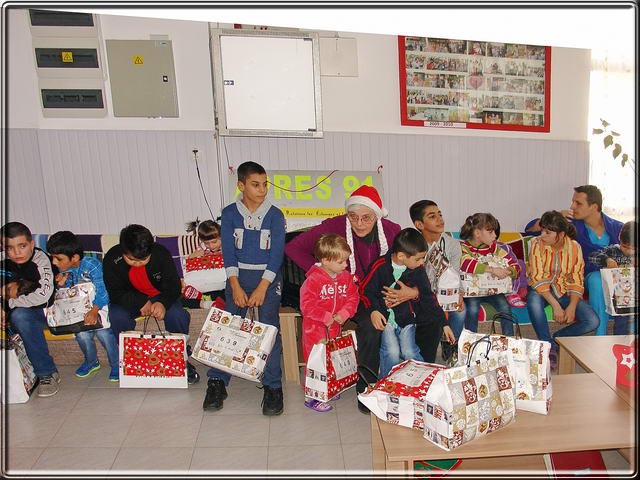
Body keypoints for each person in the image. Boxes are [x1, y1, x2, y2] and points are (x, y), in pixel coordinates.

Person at [203, 161, 286, 415]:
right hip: (238, 279)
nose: (262, 190)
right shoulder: (228, 214)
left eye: (264, 185)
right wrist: (235, 286)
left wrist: (263, 287)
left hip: (268, 280)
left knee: (268, 328)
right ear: (241, 185)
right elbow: (228, 253)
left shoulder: (275, 215)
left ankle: (272, 386)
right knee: (229, 326)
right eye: (255, 184)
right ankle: (218, 380)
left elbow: (276, 255)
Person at [102, 224, 199, 384]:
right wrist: (139, 301)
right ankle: (130, 360)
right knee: (116, 316)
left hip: (160, 296)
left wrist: (162, 302)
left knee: (177, 315)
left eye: (143, 259)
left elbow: (174, 286)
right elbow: (114, 292)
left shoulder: (160, 253)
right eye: (132, 259)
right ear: (123, 251)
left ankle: (182, 358)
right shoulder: (112, 258)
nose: (138, 263)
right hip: (128, 298)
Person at [525, 185, 623, 335]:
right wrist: (557, 216)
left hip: (613, 279)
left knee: (601, 283)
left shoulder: (618, 228)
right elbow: (530, 229)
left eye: (578, 203)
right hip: (587, 278)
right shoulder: (570, 226)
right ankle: (599, 335)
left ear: (594, 206)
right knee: (597, 279)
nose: (572, 206)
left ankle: (561, 340)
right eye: (573, 202)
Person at [360, 229, 455, 379]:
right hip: (387, 321)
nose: (422, 262)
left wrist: (444, 324)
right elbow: (365, 290)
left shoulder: (418, 269)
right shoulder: (379, 266)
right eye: (419, 259)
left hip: (407, 319)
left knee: (409, 351)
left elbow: (428, 297)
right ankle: (387, 383)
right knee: (391, 351)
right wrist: (373, 310)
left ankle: (424, 379)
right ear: (401, 256)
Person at [527, 211, 600, 366]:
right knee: (532, 300)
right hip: (541, 289)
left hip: (564, 288)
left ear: (560, 234)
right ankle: (548, 345)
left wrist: (572, 306)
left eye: (547, 232)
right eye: (542, 230)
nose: (542, 235)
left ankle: (559, 338)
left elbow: (577, 278)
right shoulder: (536, 244)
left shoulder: (574, 247)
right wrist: (556, 306)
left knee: (593, 321)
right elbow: (537, 278)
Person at [46, 231, 119, 381]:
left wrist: (94, 311)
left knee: (104, 334)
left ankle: (117, 365)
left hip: (98, 306)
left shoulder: (92, 265)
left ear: (75, 257)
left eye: (58, 259)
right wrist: (61, 283)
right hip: (78, 310)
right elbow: (67, 295)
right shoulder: (64, 268)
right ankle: (91, 362)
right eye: (53, 258)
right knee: (82, 335)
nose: (54, 262)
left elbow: (103, 291)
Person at [299, 233, 359, 412]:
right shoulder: (313, 280)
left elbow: (353, 297)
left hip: (335, 327)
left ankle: (328, 387)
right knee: (316, 361)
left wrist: (344, 313)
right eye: (341, 262)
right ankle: (312, 396)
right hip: (315, 330)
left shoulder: (346, 277)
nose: (345, 265)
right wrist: (325, 317)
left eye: (346, 261)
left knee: (331, 359)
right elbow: (306, 305)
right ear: (325, 260)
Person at [0, 222, 59, 397]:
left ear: (32, 244)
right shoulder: (4, 262)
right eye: (10, 248)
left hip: (46, 312)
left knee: (20, 316)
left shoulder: (41, 259)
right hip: (12, 310)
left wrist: (7, 306)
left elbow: (43, 295)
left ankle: (46, 374)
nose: (17, 253)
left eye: (22, 246)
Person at [409, 200, 466, 343]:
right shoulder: (411, 245)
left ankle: (450, 345)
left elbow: (456, 273)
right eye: (432, 216)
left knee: (460, 311)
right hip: (419, 293)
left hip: (444, 291)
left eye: (440, 214)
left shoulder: (452, 244)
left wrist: (458, 292)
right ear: (419, 225)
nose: (440, 219)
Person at [459, 213, 521, 336]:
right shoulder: (464, 247)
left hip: (493, 290)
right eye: (490, 232)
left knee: (505, 307)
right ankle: (471, 342)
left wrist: (508, 271)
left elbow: (516, 266)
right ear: (477, 233)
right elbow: (465, 264)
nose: (495, 235)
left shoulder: (495, 248)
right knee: (472, 308)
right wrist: (492, 270)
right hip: (472, 292)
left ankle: (508, 341)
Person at [588, 220, 636, 335]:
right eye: (625, 247)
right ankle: (617, 340)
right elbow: (593, 256)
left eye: (633, 248)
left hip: (634, 297)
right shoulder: (613, 250)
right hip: (618, 298)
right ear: (619, 237)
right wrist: (607, 260)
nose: (629, 252)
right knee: (622, 322)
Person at [182, 219, 225, 310]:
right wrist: (193, 256)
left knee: (226, 293)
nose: (211, 246)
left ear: (221, 237)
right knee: (181, 298)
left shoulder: (226, 247)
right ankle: (206, 301)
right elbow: (189, 264)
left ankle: (209, 302)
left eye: (214, 242)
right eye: (207, 243)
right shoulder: (202, 247)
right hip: (203, 285)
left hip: (220, 285)